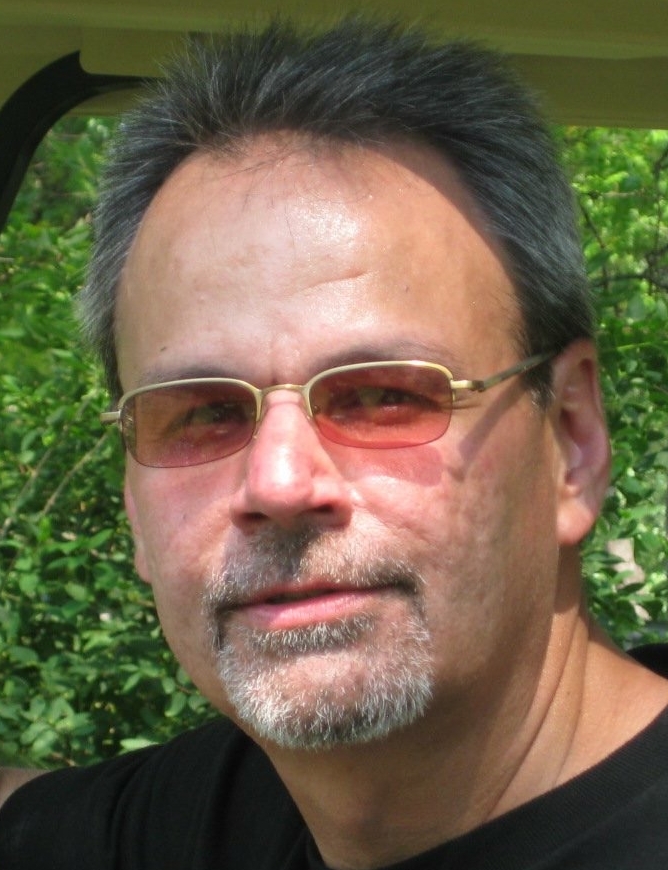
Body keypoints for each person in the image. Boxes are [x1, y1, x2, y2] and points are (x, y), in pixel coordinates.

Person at [1, 17, 668, 870]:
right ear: (132, 505)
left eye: (383, 396)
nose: (279, 483)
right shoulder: (231, 815)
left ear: (571, 440)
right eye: (202, 414)